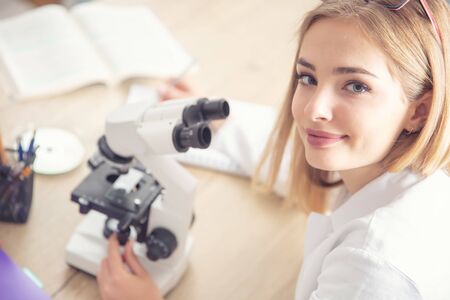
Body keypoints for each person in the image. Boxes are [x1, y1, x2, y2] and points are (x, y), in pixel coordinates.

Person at [97, 0, 450, 299]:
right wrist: (216, 115)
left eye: (355, 86)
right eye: (308, 78)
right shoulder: (394, 170)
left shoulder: (372, 271)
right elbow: (288, 159)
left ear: (419, 110)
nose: (314, 110)